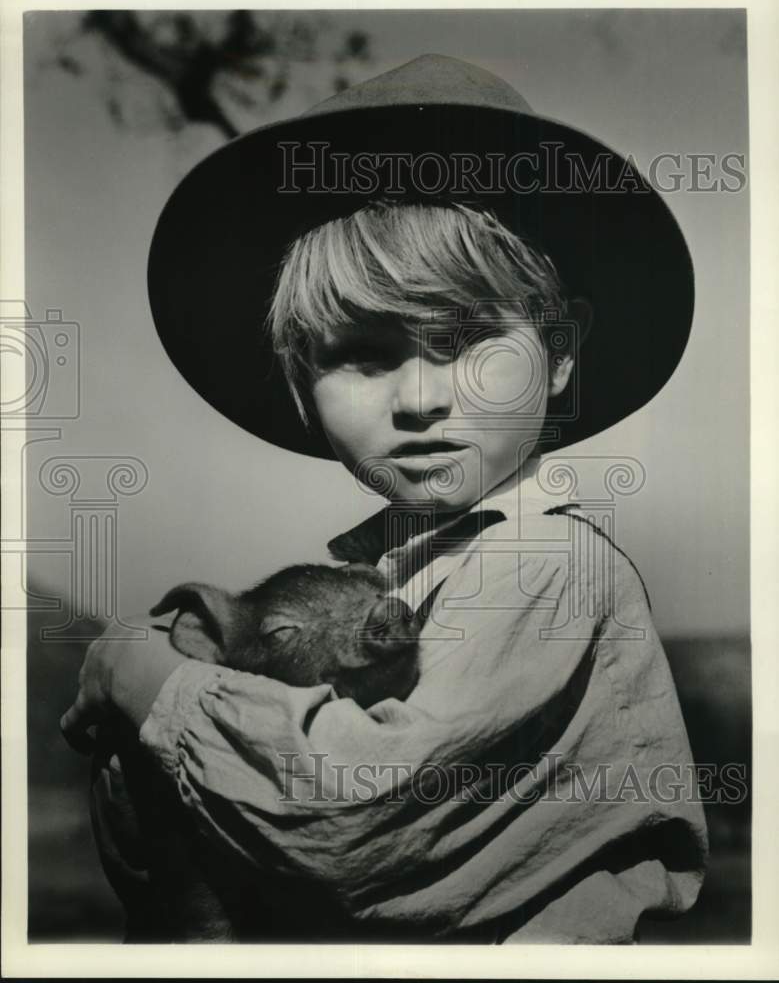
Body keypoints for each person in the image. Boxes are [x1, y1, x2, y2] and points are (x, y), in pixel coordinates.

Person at [61, 54, 708, 944]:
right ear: (300, 386)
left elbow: (357, 823)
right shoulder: (364, 583)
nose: (417, 398)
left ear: (560, 352)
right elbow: (165, 864)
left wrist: (154, 684)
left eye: (466, 343)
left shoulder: (547, 563)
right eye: (362, 354)